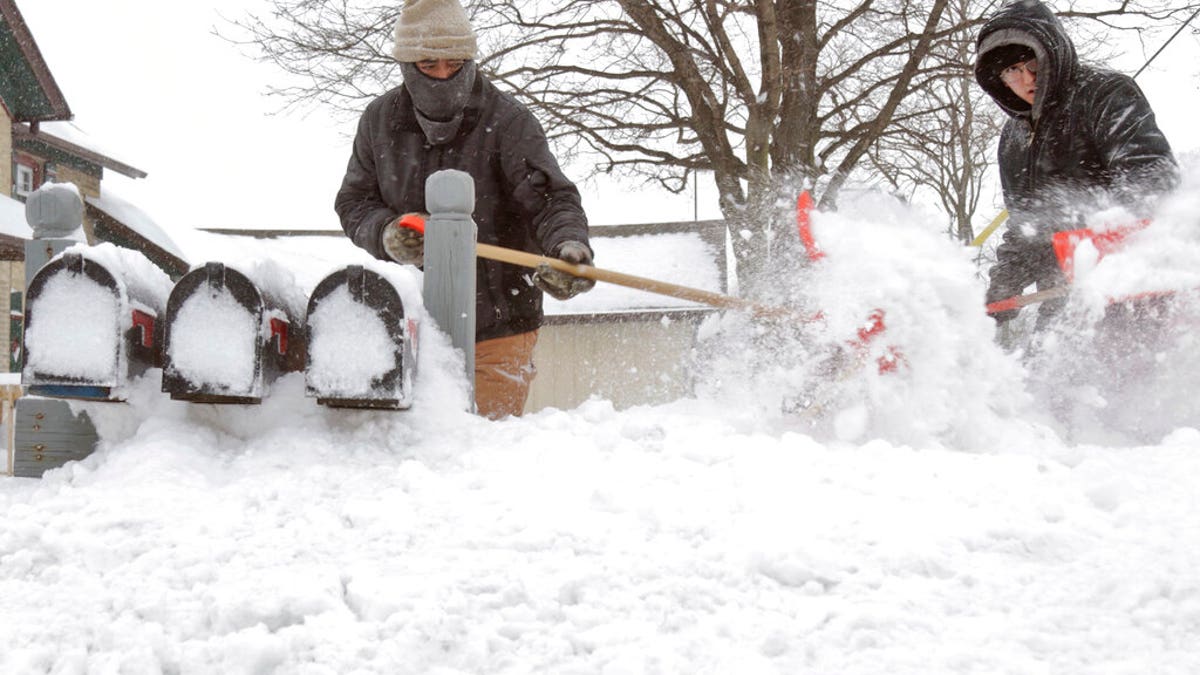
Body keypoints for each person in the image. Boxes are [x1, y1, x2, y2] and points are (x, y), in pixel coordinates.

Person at [335, 0, 595, 419]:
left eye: (455, 63)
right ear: (406, 64)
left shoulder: (509, 122)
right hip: (411, 329)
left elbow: (551, 200)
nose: (442, 75)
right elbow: (354, 202)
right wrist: (386, 232)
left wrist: (567, 245)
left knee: (480, 458)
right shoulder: (379, 122)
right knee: (414, 457)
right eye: (428, 63)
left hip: (500, 326)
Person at [974, 0, 1178, 331]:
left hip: (1129, 293)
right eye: (1012, 70)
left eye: (1031, 62)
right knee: (1045, 376)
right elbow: (1028, 226)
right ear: (998, 79)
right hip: (1060, 306)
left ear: (1051, 53)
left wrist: (1101, 247)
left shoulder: (1103, 95)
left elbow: (1150, 178)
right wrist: (1003, 286)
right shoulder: (1013, 138)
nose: (1026, 78)